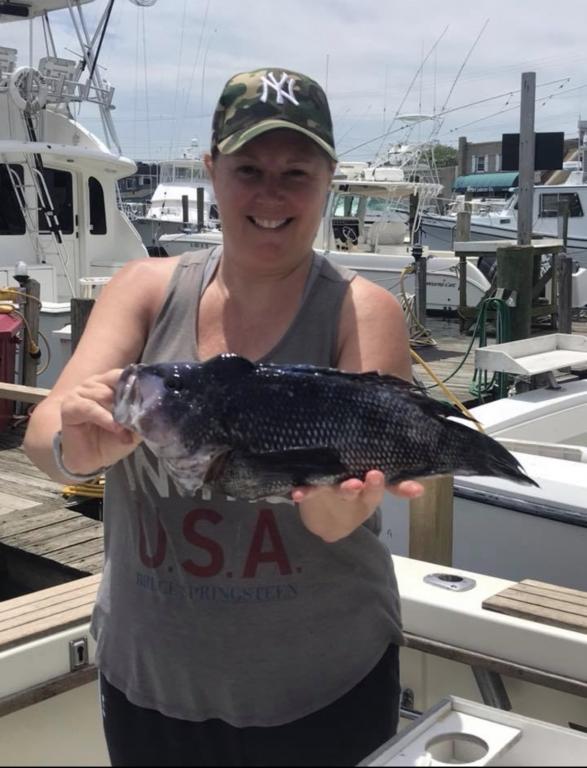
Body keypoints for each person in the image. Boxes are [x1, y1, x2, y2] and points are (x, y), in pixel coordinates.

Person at [23, 68, 423, 767]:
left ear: (328, 179)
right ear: (211, 170)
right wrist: (76, 449)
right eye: (248, 169)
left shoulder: (361, 310)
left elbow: (340, 517)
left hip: (322, 682)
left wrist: (340, 506)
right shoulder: (144, 290)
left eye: (295, 172)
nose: (271, 194)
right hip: (148, 675)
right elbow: (45, 433)